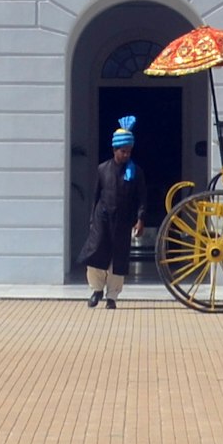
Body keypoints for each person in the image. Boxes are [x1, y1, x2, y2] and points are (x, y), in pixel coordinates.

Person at [81, 117, 147, 306]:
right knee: (95, 253)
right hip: (101, 219)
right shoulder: (102, 169)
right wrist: (92, 220)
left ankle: (112, 296)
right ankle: (96, 290)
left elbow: (142, 198)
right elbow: (95, 196)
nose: (126, 154)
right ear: (114, 150)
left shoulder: (136, 172)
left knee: (118, 258)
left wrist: (140, 219)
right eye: (122, 151)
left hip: (123, 221)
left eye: (128, 151)